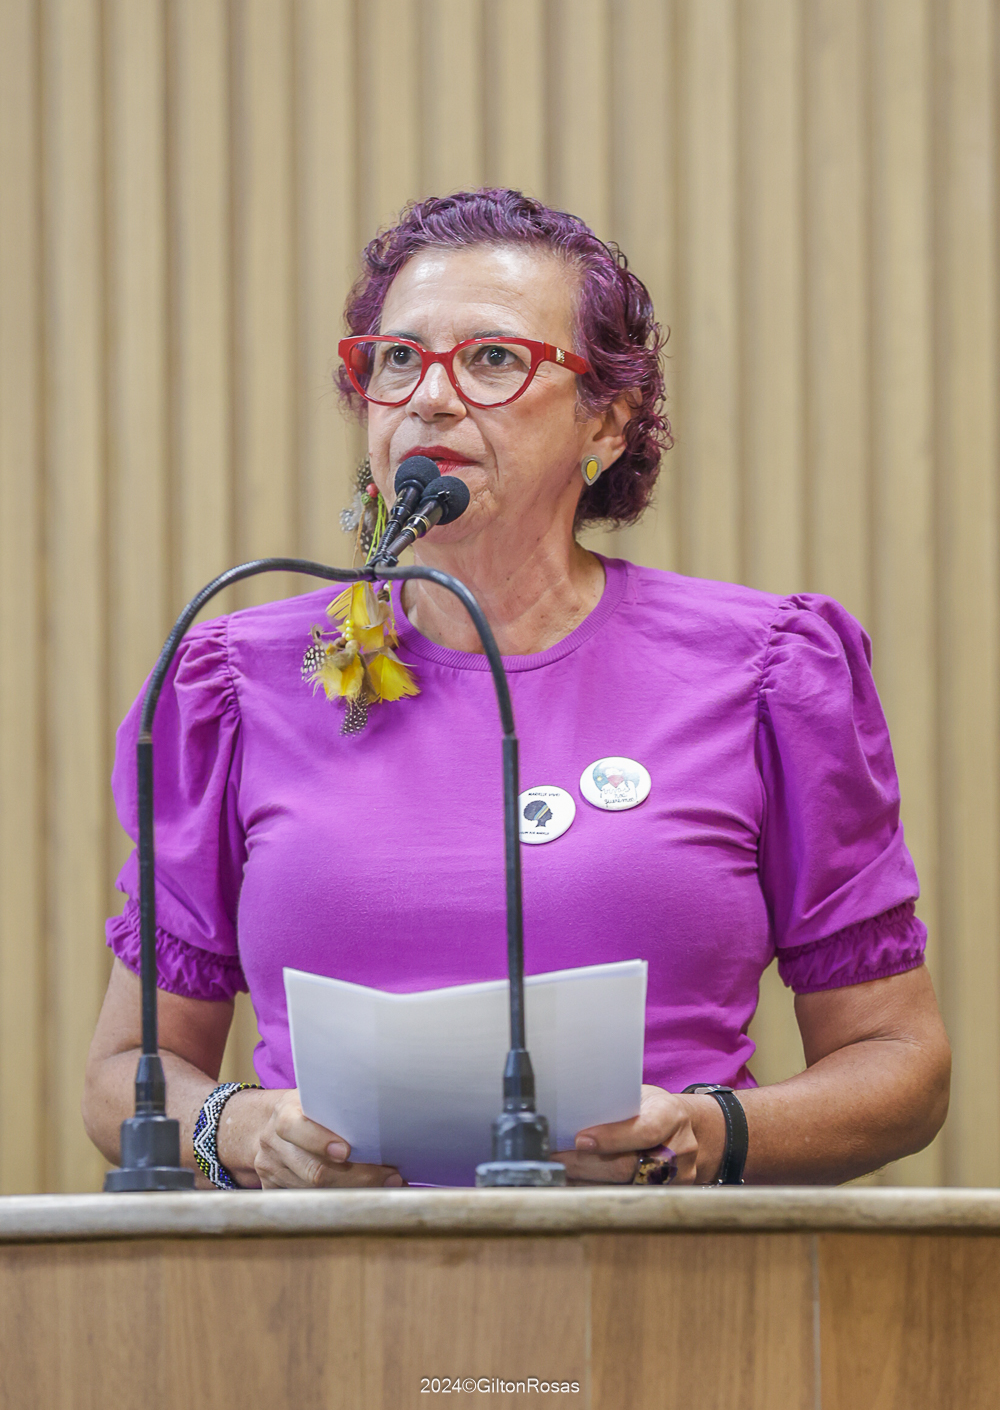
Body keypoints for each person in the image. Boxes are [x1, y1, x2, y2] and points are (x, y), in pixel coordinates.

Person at [83, 189, 950, 1189]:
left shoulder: (764, 671)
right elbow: (124, 1075)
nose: (428, 397)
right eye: (397, 359)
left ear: (607, 422)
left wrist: (706, 1134)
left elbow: (900, 1065)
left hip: (661, 1266)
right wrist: (241, 1130)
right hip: (323, 1276)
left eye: (492, 359)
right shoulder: (233, 687)